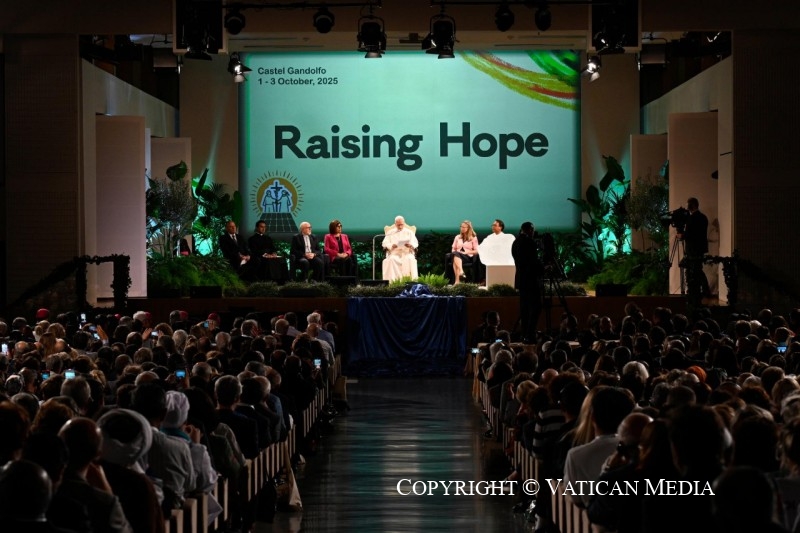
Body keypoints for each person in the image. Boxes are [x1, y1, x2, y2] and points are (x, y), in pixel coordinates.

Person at [511, 221, 544, 343]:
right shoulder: (529, 242)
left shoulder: (515, 242)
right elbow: (533, 262)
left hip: (521, 280)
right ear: (530, 230)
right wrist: (543, 268)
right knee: (536, 307)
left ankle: (525, 334)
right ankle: (530, 334)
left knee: (524, 309)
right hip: (531, 280)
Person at [677, 197, 711, 300]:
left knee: (695, 270)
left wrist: (681, 235)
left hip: (692, 249)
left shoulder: (692, 219)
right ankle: (705, 290)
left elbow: (689, 234)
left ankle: (700, 291)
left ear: (691, 205)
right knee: (698, 269)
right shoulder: (703, 217)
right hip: (700, 248)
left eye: (688, 204)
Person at [382, 215, 418, 282]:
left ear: (404, 223)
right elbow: (384, 243)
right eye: (398, 225)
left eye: (402, 225)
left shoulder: (409, 232)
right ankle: (393, 282)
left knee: (410, 259)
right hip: (395, 253)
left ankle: (410, 282)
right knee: (392, 259)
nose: (400, 227)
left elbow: (415, 243)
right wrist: (391, 246)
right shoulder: (390, 232)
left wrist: (410, 245)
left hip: (406, 253)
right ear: (395, 224)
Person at [449, 220, 480, 284]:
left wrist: (466, 252)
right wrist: (456, 252)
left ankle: (457, 281)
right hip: (457, 255)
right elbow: (453, 248)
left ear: (468, 228)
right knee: (455, 254)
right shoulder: (457, 237)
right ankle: (461, 272)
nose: (462, 228)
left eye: (464, 227)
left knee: (455, 259)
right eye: (461, 227)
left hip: (467, 257)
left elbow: (477, 251)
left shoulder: (473, 238)